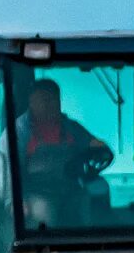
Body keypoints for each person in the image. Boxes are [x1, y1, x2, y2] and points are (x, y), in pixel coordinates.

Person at [14, 78, 112, 223]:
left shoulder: (70, 127)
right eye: (45, 100)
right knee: (44, 210)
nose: (51, 105)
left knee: (97, 191)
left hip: (70, 187)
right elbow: (7, 170)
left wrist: (100, 147)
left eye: (55, 99)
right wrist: (14, 202)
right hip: (36, 192)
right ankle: (45, 244)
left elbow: (92, 143)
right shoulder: (19, 132)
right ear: (32, 102)